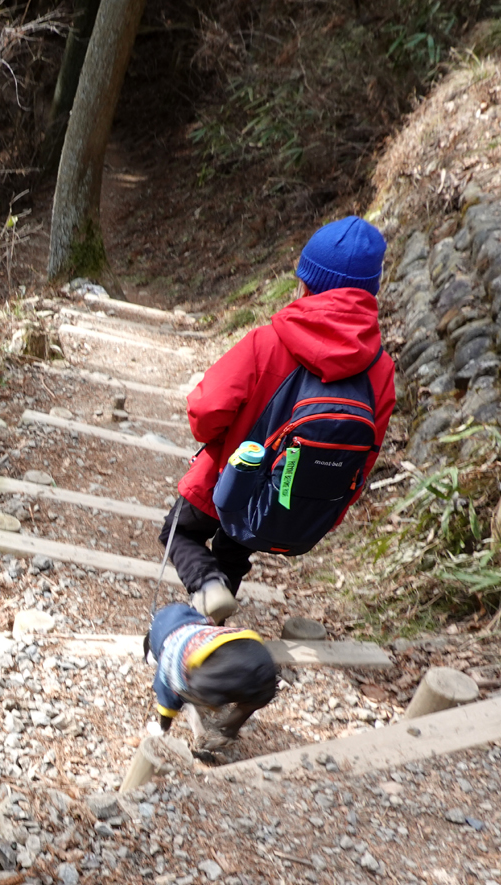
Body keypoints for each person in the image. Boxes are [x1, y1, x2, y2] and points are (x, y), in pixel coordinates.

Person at [161, 216, 397, 623]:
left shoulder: (266, 342)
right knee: (236, 544)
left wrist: (221, 441)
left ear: (306, 284)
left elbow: (204, 413)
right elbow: (367, 454)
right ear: (370, 294)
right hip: (289, 502)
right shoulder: (381, 368)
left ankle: (207, 587)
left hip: (227, 482)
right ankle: (210, 619)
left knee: (178, 532)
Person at [146, 601, 280, 758]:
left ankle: (218, 722)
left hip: (212, 673)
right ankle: (229, 730)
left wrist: (164, 726)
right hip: (253, 651)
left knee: (188, 688)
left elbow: (167, 700)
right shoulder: (192, 619)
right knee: (254, 692)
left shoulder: (169, 661)